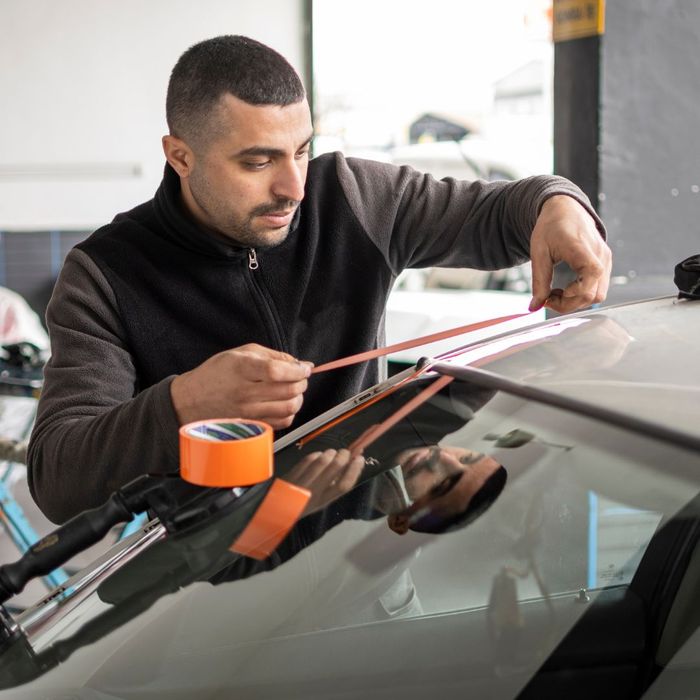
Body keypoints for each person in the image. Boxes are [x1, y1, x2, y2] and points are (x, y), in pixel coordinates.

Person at [27, 35, 612, 524]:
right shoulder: (105, 274)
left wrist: (558, 205)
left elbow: (503, 211)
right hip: (204, 602)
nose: (295, 188)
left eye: (302, 151)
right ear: (181, 157)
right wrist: (184, 403)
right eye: (258, 162)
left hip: (361, 562)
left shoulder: (353, 198)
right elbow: (58, 478)